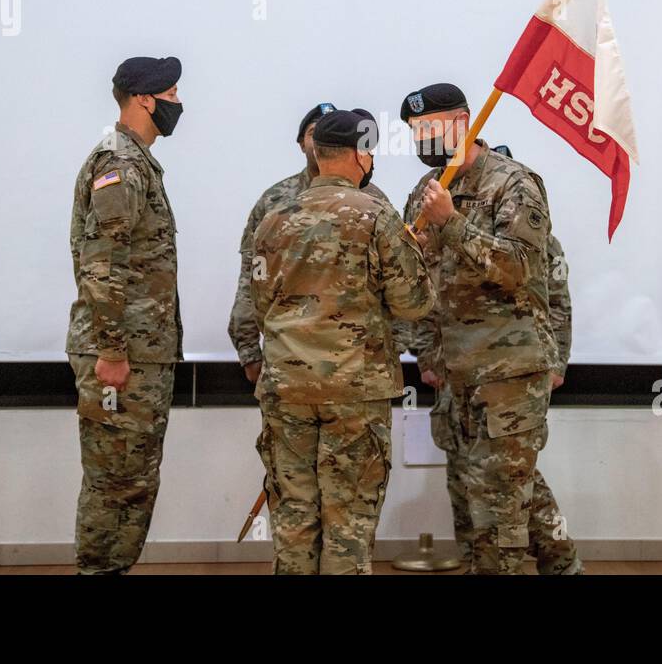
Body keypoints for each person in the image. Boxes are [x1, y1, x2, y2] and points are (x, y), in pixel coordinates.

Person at [394, 82, 579, 574]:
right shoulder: (430, 189)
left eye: (431, 127)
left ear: (464, 120)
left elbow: (519, 267)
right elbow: (424, 277)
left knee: (502, 511)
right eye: (416, 131)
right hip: (457, 371)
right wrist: (426, 352)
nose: (423, 138)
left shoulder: (514, 183)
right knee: (475, 499)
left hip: (508, 372)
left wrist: (451, 222)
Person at [251, 109, 435, 573]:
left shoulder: (273, 219)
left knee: (293, 518)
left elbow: (261, 304)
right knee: (348, 521)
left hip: (286, 390)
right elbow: (413, 303)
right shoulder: (377, 216)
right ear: (358, 154)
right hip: (354, 393)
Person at [64, 55, 183, 574]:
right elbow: (102, 263)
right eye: (172, 94)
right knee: (115, 479)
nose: (179, 104)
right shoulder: (122, 166)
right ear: (144, 99)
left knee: (134, 478)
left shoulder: (135, 162)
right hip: (123, 355)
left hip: (141, 352)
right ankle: (98, 571)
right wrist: (112, 349)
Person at [229, 103, 389, 383]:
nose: (320, 141)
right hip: (289, 361)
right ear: (301, 142)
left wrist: (392, 348)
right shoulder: (275, 202)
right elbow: (251, 279)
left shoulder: (375, 202)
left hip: (357, 361)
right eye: (313, 132)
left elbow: (393, 282)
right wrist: (249, 349)